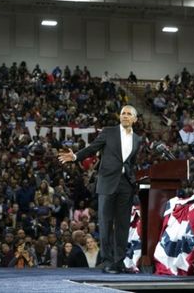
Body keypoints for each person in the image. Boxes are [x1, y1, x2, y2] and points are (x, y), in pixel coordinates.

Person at [58, 105, 142, 274]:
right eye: (123, 113)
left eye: (128, 114)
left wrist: (133, 179)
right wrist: (75, 156)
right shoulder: (109, 132)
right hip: (107, 182)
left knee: (123, 224)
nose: (125, 116)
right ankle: (107, 260)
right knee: (105, 222)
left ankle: (119, 262)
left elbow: (131, 163)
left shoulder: (137, 139)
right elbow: (92, 148)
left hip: (125, 184)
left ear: (135, 119)